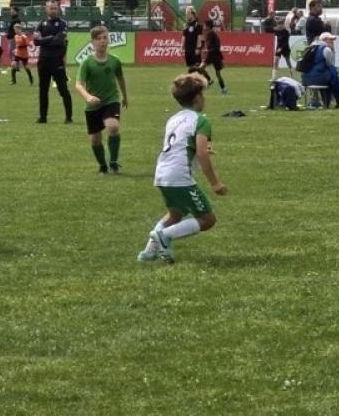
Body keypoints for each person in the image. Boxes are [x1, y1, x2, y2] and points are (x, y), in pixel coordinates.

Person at [138, 73, 228, 264]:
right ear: (197, 98)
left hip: (162, 174)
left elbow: (183, 145)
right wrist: (215, 183)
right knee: (207, 220)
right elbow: (202, 153)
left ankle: (149, 252)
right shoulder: (201, 120)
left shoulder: (173, 119)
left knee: (175, 214)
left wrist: (199, 150)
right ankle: (165, 236)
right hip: (180, 176)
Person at [76, 26, 129, 174]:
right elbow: (78, 84)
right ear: (92, 42)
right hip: (93, 105)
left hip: (111, 100)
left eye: (105, 38)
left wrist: (124, 96)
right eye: (98, 39)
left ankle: (113, 161)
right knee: (95, 139)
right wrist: (88, 97)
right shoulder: (87, 62)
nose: (102, 41)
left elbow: (120, 78)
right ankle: (102, 165)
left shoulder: (115, 61)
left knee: (112, 127)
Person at [34, 0, 73, 124]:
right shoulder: (41, 24)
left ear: (58, 9)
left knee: (63, 89)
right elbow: (35, 42)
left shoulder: (62, 23)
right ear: (46, 9)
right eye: (51, 8)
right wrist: (51, 38)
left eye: (55, 8)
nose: (53, 10)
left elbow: (59, 40)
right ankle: (43, 117)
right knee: (43, 90)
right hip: (43, 61)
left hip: (57, 61)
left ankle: (68, 117)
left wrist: (44, 39)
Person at [202, 18, 227, 93]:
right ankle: (222, 88)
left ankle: (211, 81)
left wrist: (208, 50)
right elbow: (214, 45)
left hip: (213, 55)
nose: (204, 27)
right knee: (217, 73)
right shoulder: (212, 34)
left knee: (202, 68)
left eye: (205, 25)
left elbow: (214, 46)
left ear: (208, 26)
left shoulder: (211, 34)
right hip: (214, 55)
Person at [182, 6, 204, 74]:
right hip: (187, 49)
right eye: (186, 13)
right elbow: (184, 37)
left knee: (197, 67)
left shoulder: (198, 25)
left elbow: (199, 37)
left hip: (194, 49)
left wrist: (198, 48)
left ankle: (206, 80)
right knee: (190, 68)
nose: (187, 15)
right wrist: (182, 48)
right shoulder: (186, 25)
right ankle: (193, 82)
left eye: (188, 13)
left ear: (193, 14)